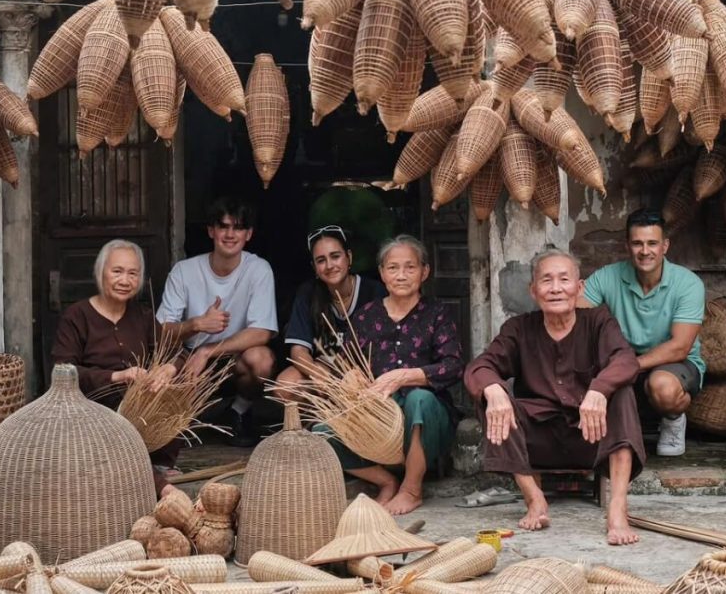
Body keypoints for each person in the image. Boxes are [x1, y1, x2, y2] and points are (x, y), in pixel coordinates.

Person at [465, 249, 646, 546]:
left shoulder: (599, 322)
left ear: (580, 287)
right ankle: (534, 499)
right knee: (491, 397)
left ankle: (617, 509)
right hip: (538, 442)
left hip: (591, 438)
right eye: (546, 280)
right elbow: (480, 366)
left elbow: (626, 360)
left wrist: (599, 389)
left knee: (622, 392)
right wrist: (493, 388)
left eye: (564, 279)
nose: (556, 288)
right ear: (533, 291)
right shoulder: (519, 329)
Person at [327, 235, 463, 516]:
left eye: (410, 268)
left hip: (428, 417)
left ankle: (412, 489)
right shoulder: (366, 316)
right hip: (380, 416)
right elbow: (346, 364)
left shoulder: (437, 313)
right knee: (323, 433)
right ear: (382, 273)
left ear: (424, 272)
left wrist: (405, 376)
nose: (401, 275)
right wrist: (352, 378)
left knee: (420, 400)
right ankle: (386, 481)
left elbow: (453, 366)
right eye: (393, 268)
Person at [52, 239, 181, 497]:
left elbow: (176, 353)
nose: (125, 280)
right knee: (116, 446)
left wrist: (168, 368)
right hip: (94, 409)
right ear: (101, 273)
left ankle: (158, 461)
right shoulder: (77, 316)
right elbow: (62, 370)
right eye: (117, 271)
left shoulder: (143, 316)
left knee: (174, 390)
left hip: (137, 407)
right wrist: (116, 376)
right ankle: (159, 484)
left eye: (133, 273)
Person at [580, 208, 706, 457]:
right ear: (628, 245)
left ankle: (673, 420)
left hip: (675, 363)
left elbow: (680, 346)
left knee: (663, 387)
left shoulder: (688, 283)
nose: (645, 251)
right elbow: (575, 314)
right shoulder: (609, 275)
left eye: (652, 243)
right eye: (637, 243)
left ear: (665, 246)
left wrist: (628, 366)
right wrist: (569, 290)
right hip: (623, 359)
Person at [157, 196, 278, 446]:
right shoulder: (184, 271)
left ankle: (239, 410)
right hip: (188, 359)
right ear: (211, 231)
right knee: (177, 430)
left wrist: (207, 351)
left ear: (249, 234)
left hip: (233, 359)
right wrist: (196, 324)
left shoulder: (259, 269)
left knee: (262, 360)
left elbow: (262, 332)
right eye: (223, 226)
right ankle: (189, 421)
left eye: (238, 227)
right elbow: (162, 332)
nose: (230, 234)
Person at [275, 225, 386, 401]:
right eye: (321, 260)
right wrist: (319, 376)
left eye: (335, 256)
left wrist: (353, 378)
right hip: (325, 369)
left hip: (364, 372)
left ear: (349, 257)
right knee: (285, 386)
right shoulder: (308, 292)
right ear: (314, 267)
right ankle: (314, 426)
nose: (329, 265)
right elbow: (298, 351)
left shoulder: (373, 292)